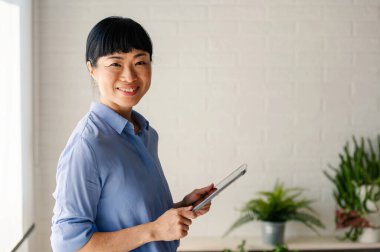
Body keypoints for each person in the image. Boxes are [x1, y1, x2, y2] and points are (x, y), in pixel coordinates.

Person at [51, 16, 215, 252]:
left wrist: (180, 208)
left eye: (140, 62)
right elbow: (70, 246)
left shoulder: (145, 134)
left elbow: (132, 219)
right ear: (92, 69)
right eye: (115, 64)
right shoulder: (88, 145)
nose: (129, 76)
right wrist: (156, 230)